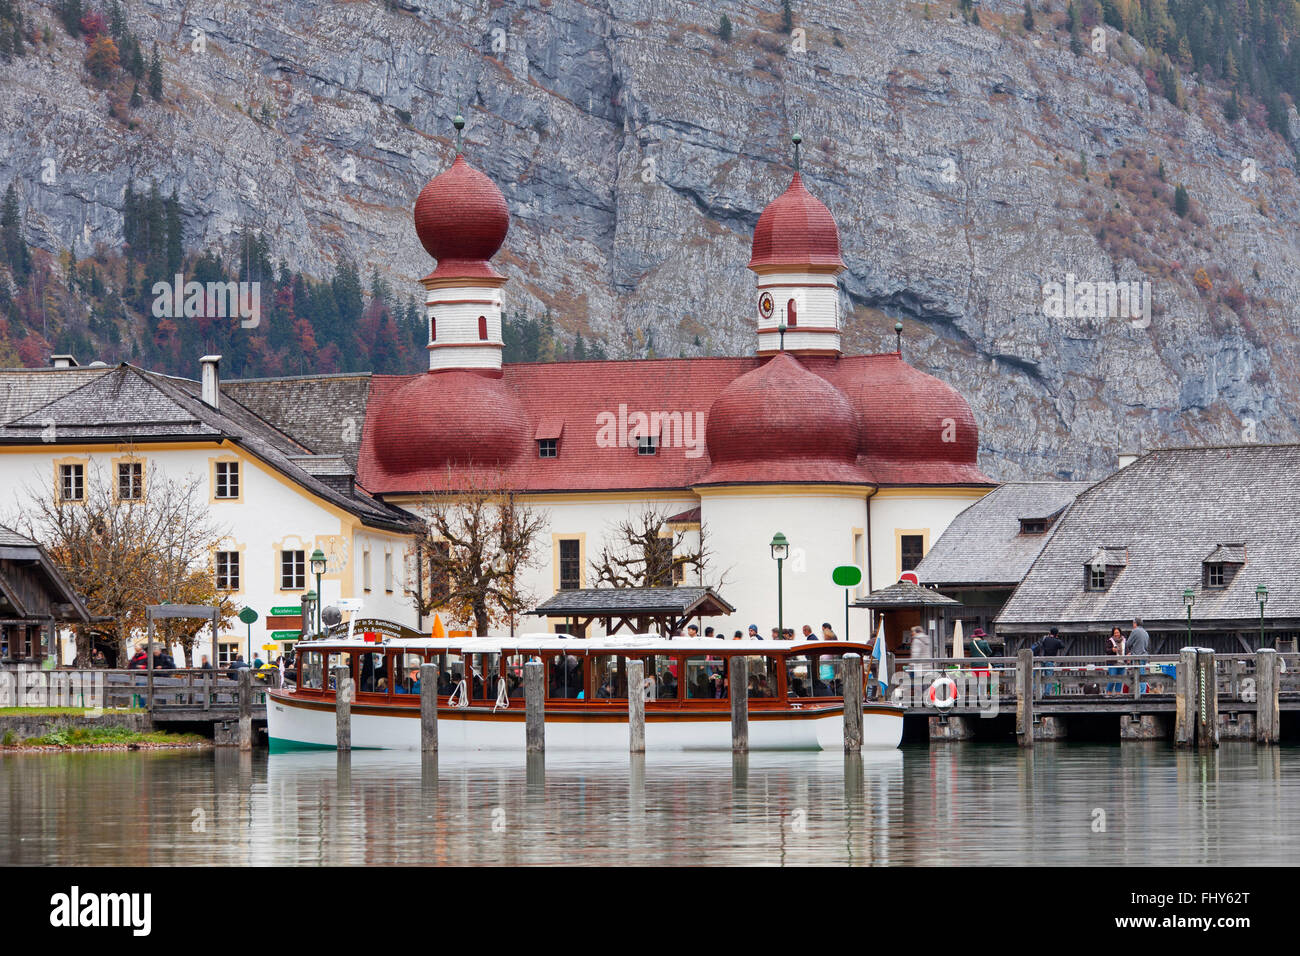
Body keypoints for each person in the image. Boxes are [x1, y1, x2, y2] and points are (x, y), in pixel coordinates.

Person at [1105, 626, 1126, 694]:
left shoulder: (1124, 640)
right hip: (1113, 663)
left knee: (1120, 680)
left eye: (1118, 632)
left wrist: (1128, 654)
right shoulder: (1110, 640)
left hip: (1122, 663)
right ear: (1113, 633)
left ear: (1120, 633)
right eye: (1115, 633)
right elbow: (1106, 650)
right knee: (1112, 679)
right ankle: (1108, 693)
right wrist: (1112, 650)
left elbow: (1127, 649)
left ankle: (1118, 694)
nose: (1116, 634)